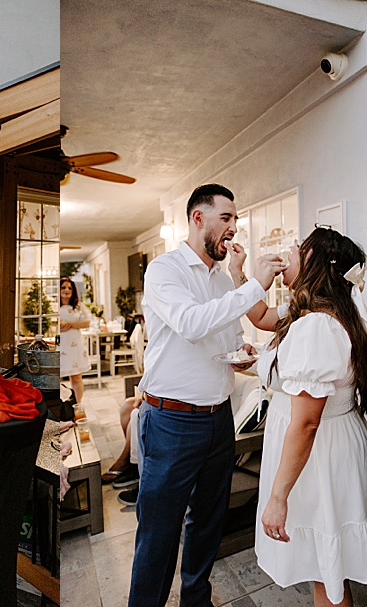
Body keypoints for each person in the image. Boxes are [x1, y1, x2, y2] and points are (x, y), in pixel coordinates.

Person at [128, 183, 283, 607]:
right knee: (159, 533)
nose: (234, 228)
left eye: (235, 219)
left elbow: (224, 333)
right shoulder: (164, 270)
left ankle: (196, 600)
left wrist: (240, 352)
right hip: (171, 423)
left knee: (208, 523)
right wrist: (254, 285)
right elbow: (192, 324)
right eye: (227, 218)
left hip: (218, 419)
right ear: (199, 219)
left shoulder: (220, 277)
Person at [253, 227, 367, 607]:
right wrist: (245, 275)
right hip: (336, 442)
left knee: (325, 569)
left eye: (299, 250)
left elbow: (305, 422)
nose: (290, 255)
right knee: (327, 567)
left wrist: (278, 497)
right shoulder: (342, 311)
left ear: (314, 263)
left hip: (318, 455)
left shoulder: (316, 326)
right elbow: (263, 319)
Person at [59, 277, 92, 404]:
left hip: (75, 346)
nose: (66, 290)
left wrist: (70, 324)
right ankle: (61, 409)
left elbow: (87, 322)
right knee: (57, 378)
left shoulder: (78, 306)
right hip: (60, 345)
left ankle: (77, 406)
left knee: (76, 378)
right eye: (63, 287)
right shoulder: (53, 306)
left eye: (69, 288)